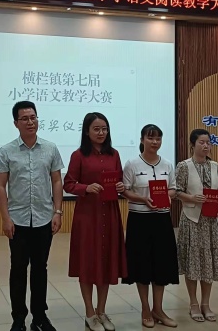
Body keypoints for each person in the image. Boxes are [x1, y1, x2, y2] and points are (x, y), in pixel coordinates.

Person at [0, 101, 64, 331]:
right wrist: (6, 218)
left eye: (33, 117)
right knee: (18, 269)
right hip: (18, 220)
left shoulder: (50, 148)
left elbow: (57, 181)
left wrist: (57, 211)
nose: (30, 122)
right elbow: (0, 186)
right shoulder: (6, 151)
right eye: (24, 118)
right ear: (16, 123)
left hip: (44, 218)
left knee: (40, 269)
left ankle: (39, 317)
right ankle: (18, 318)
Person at [64, 112, 126, 331]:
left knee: (106, 262)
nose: (101, 133)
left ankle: (102, 311)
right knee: (88, 263)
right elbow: (68, 184)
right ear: (87, 131)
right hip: (88, 217)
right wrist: (86, 188)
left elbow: (119, 181)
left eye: (104, 129)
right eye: (96, 129)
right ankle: (90, 313)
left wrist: (121, 187)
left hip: (110, 214)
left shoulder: (114, 154)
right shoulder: (78, 155)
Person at [122, 124, 179, 328]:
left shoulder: (168, 165)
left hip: (162, 220)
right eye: (150, 138)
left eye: (158, 139)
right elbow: (125, 191)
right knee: (142, 265)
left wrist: (165, 196)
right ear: (142, 140)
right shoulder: (132, 164)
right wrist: (143, 199)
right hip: (139, 219)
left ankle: (158, 309)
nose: (155, 142)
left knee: (161, 264)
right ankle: (145, 309)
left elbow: (173, 189)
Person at [174, 128, 218, 323]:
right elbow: (176, 192)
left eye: (208, 142)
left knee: (209, 262)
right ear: (193, 145)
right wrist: (191, 197)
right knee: (193, 262)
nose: (206, 146)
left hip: (212, 222)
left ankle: (206, 303)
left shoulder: (216, 167)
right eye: (201, 142)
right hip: (192, 220)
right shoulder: (184, 166)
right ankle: (193, 303)